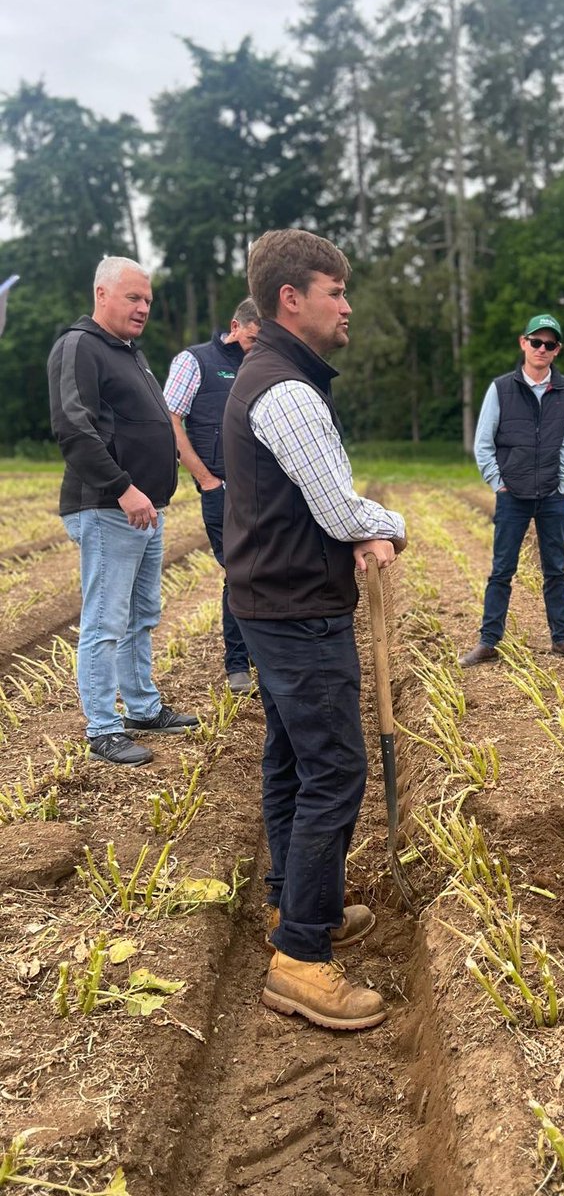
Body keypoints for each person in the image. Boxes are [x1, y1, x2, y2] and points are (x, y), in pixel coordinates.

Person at [222, 229, 406, 1032]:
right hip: (299, 612)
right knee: (335, 771)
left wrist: (360, 530)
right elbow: (336, 509)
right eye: (337, 291)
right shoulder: (287, 391)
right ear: (292, 299)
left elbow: (314, 503)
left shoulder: (277, 378)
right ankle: (300, 957)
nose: (348, 304)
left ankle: (301, 905)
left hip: (273, 604)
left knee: (294, 761)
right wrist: (390, 524)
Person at [47, 257, 200, 766]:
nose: (142, 309)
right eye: (133, 298)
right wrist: (123, 488)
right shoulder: (80, 346)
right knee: (106, 621)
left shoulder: (128, 352)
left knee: (141, 615)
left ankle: (141, 707)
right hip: (109, 507)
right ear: (102, 294)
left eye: (148, 301)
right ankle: (103, 728)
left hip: (145, 509)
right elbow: (74, 428)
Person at [459, 313, 564, 666]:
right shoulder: (501, 388)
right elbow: (483, 443)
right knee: (502, 569)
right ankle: (488, 641)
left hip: (552, 495)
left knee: (556, 570)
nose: (542, 348)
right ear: (523, 343)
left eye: (549, 344)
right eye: (536, 342)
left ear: (557, 350)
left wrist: (563, 486)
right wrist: (498, 484)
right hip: (512, 495)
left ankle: (562, 639)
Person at [163, 298, 262, 695]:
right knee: (238, 573)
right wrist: (205, 479)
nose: (257, 347)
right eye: (253, 338)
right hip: (221, 487)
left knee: (266, 571)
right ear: (235, 326)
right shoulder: (195, 361)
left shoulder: (264, 363)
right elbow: (169, 419)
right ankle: (238, 664)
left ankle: (265, 657)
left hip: (263, 490)